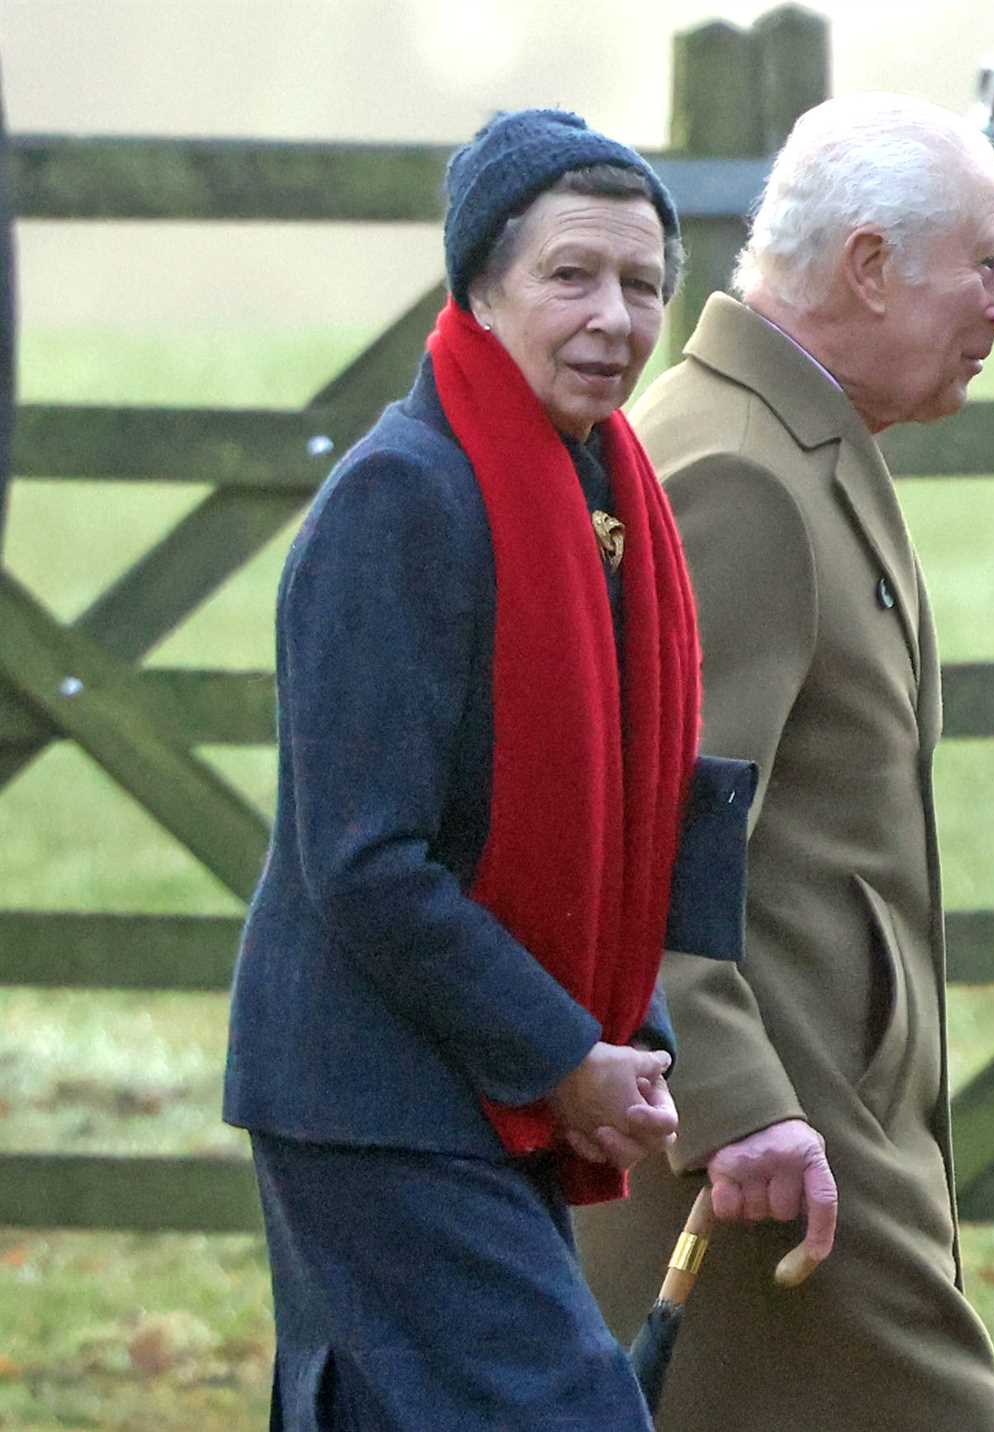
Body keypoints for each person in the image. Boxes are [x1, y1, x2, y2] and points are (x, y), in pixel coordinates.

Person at [223, 108, 703, 1430]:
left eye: (644, 283)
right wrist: (564, 1055)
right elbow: (366, 864)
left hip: (478, 1084)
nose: (614, 315)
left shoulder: (604, 507)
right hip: (369, 1094)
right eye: (571, 276)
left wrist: (629, 1041)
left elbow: (617, 824)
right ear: (480, 285)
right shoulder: (405, 499)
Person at [575, 94, 994, 1430]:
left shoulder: (775, 434)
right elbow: (648, 826)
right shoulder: (743, 475)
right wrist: (740, 1110)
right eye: (988, 263)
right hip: (779, 1148)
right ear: (872, 268)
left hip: (814, 1122)